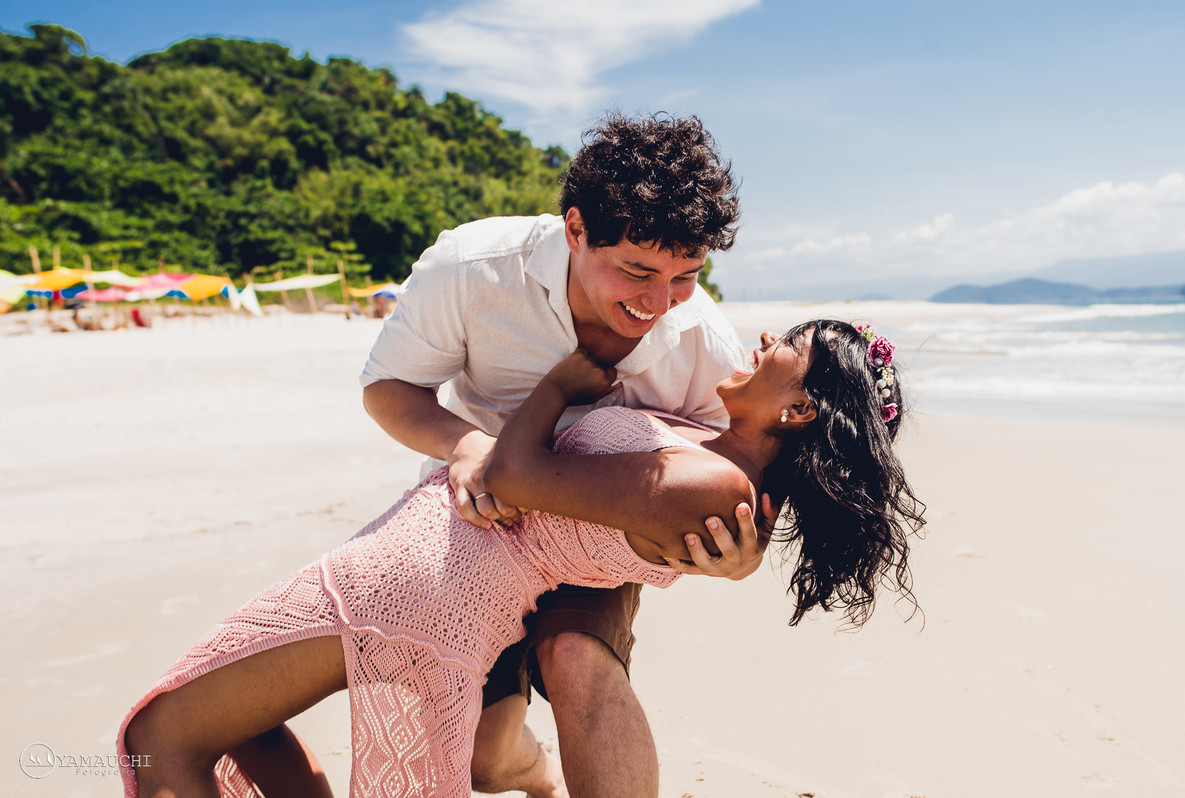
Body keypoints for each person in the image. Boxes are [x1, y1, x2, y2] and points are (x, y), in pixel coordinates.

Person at [118, 319, 925, 798]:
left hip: (419, 584)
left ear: (799, 408)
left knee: (164, 736)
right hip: (428, 578)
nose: (763, 337)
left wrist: (560, 384)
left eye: (788, 344)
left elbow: (512, 476)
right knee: (234, 733)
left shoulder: (713, 484)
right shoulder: (715, 459)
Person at [358, 112, 755, 797]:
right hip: (479, 516)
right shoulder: (474, 269)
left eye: (685, 275)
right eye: (637, 271)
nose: (659, 302)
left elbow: (734, 465)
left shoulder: (699, 336)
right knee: (484, 762)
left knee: (577, 657)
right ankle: (537, 777)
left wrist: (741, 552)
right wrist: (467, 446)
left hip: (600, 527)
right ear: (575, 230)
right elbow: (389, 387)